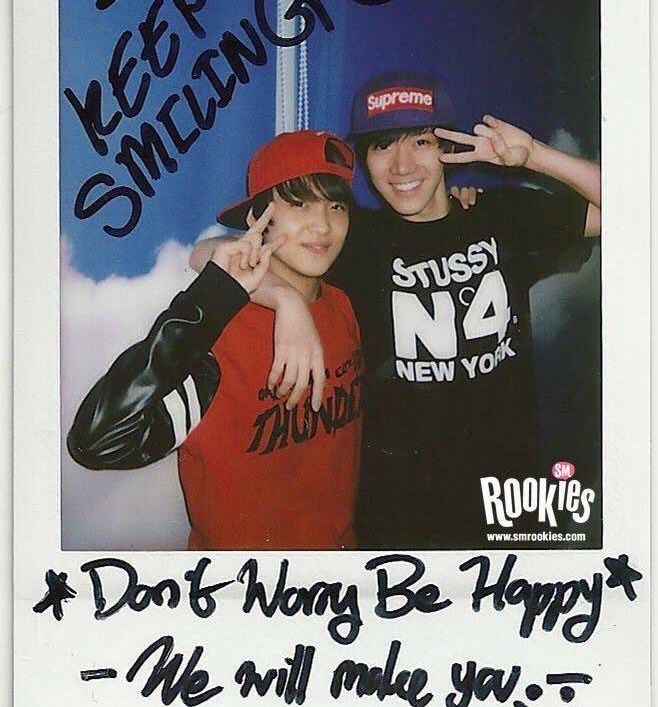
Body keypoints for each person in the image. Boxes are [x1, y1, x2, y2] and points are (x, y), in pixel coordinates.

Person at [190, 71, 601, 549]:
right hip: (400, 512)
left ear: (447, 148)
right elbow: (209, 254)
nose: (402, 165)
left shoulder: (499, 215)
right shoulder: (356, 238)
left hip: (508, 496)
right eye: (382, 146)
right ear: (366, 159)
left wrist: (535, 156)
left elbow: (636, 208)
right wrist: (285, 300)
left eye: (421, 142)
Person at [67, 130, 364, 551]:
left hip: (341, 568)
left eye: (336, 206)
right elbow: (97, 441)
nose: (323, 225)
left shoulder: (343, 306)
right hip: (243, 582)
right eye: (299, 203)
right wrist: (237, 298)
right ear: (257, 217)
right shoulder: (220, 330)